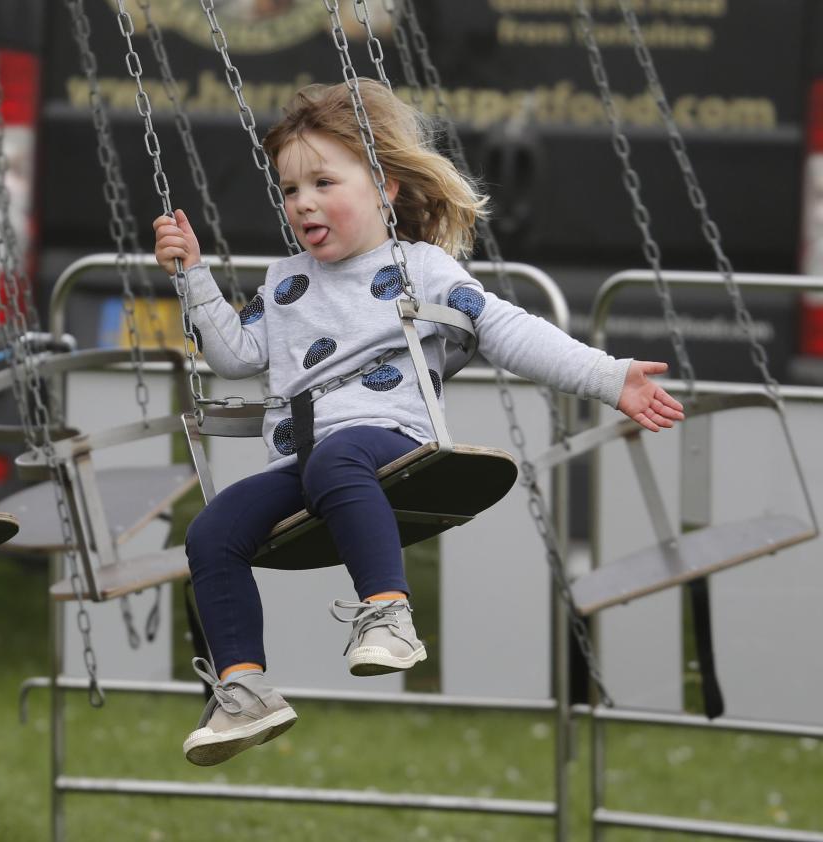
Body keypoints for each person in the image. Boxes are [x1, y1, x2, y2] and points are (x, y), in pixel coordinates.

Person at [153, 79, 684, 767]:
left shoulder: (419, 269)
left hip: (389, 442)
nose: (303, 202)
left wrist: (610, 378)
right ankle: (244, 689)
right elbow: (233, 355)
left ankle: (388, 614)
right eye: (289, 190)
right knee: (212, 530)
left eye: (322, 181)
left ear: (384, 186)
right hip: (302, 464)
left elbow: (508, 331)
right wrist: (192, 276)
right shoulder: (285, 284)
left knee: (337, 457)